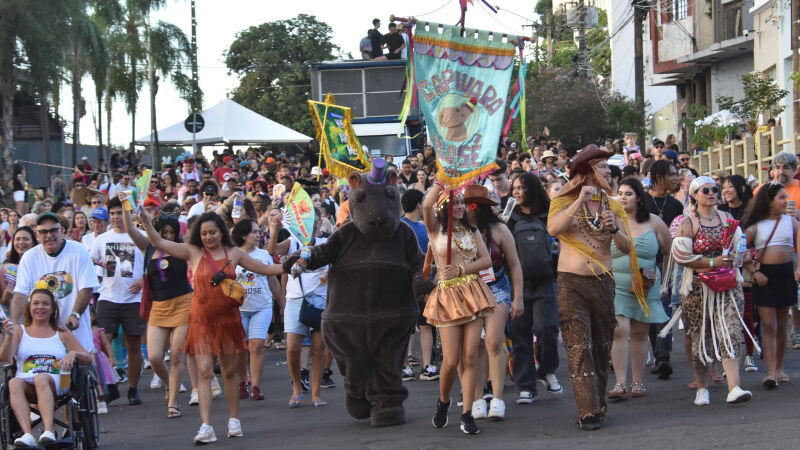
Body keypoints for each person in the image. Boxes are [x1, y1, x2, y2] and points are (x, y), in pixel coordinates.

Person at [139, 210, 284, 444]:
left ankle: (233, 420)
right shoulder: (192, 251)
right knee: (205, 372)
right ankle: (206, 426)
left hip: (228, 320)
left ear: (222, 233)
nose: (208, 237)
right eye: (204, 233)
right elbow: (157, 241)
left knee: (228, 372)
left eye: (213, 232)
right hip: (201, 320)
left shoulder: (234, 253)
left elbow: (266, 270)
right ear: (198, 234)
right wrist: (145, 219)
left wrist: (291, 265)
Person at [547, 145, 642, 430]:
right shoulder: (563, 200)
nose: (608, 172)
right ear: (586, 171)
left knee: (601, 345)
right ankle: (587, 409)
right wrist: (578, 202)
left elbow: (626, 248)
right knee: (579, 345)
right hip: (570, 282)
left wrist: (614, 229)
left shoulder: (613, 205)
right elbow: (553, 230)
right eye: (601, 167)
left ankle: (598, 403)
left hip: (603, 282)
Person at [671, 176, 753, 406]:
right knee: (701, 337)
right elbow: (681, 256)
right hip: (698, 288)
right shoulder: (688, 222)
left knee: (731, 331)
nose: (711, 193)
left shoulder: (727, 218)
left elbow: (740, 247)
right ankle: (702, 387)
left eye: (715, 189)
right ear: (695, 195)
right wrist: (712, 262)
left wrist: (741, 256)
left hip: (727, 286)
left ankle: (734, 387)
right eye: (705, 190)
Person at [423, 183, 494, 435]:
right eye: (455, 203)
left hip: (473, 292)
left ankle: (467, 412)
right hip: (447, 297)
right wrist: (440, 183)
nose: (460, 207)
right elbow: (425, 205)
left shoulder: (471, 231)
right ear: (444, 207)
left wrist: (463, 269)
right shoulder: (435, 229)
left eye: (462, 203)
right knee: (451, 360)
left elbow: (485, 260)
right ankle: (444, 401)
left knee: (471, 355)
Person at [119, 199, 192, 418]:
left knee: (177, 356)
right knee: (154, 357)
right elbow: (131, 229)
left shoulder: (183, 247)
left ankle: (173, 402)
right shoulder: (148, 247)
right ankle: (169, 383)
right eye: (164, 231)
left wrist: (146, 220)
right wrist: (126, 205)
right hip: (158, 308)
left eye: (171, 232)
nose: (167, 235)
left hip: (183, 304)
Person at [0, 288, 93, 448]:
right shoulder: (19, 331)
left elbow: (88, 358)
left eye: (45, 304)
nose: (40, 307)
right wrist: (9, 337)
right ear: (29, 307)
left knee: (41, 377)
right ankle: (28, 434)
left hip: (57, 381)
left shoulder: (61, 332)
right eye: (35, 303)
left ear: (52, 308)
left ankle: (48, 431)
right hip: (27, 381)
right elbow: (4, 357)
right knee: (14, 382)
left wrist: (73, 354)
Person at [608, 178, 671, 399]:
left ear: (639, 198)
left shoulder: (654, 222)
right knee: (619, 330)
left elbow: (670, 252)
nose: (623, 198)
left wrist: (666, 282)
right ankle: (619, 383)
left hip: (646, 284)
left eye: (628, 194)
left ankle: (638, 382)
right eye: (620, 194)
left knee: (639, 332)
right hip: (616, 284)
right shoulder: (611, 220)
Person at [464, 184, 523, 420]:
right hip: (469, 292)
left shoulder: (500, 229)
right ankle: (477, 398)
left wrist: (518, 298)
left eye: (465, 204)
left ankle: (497, 398)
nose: (460, 208)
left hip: (498, 288)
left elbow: (515, 265)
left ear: (475, 207)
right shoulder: (458, 231)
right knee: (474, 347)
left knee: (493, 341)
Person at [506, 173, 561, 406]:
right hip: (516, 285)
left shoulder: (547, 214)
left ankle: (547, 370)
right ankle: (526, 386)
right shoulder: (508, 217)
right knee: (520, 337)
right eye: (514, 188)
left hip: (545, 281)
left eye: (521, 188)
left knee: (547, 328)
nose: (516, 192)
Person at [11, 212, 100, 354]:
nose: (49, 235)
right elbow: (21, 293)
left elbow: (86, 288)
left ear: (62, 230)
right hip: (41, 340)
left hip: (75, 335)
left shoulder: (79, 251)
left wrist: (75, 315)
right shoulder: (29, 257)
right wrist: (14, 324)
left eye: (53, 230)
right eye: (43, 232)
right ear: (37, 234)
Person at [269, 210, 330, 409]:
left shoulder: (325, 244)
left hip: (321, 301)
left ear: (320, 223)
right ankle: (296, 386)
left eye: (315, 221)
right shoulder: (293, 242)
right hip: (296, 300)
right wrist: (274, 229)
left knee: (318, 349)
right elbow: (273, 251)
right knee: (292, 349)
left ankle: (315, 393)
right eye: (307, 220)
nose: (311, 224)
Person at [89, 197, 146, 406]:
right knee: (101, 343)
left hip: (133, 300)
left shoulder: (141, 237)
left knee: (133, 344)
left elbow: (154, 264)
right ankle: (107, 386)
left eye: (119, 213)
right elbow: (92, 268)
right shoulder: (101, 240)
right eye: (112, 213)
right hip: (107, 298)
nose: (115, 217)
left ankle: (133, 389)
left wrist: (142, 280)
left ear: (129, 214)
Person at [742, 183, 799, 388]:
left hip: (785, 274)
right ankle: (771, 372)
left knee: (782, 324)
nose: (786, 201)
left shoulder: (791, 222)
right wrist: (755, 272)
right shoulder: (755, 226)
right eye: (781, 198)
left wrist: (798, 268)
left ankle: (780, 368)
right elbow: (740, 251)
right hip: (765, 276)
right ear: (769, 201)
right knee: (768, 324)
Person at [231, 220, 282, 402]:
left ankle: (256, 386)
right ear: (244, 235)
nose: (258, 234)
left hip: (262, 307)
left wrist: (282, 303)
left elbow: (272, 280)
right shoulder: (233, 255)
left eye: (259, 231)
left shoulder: (264, 255)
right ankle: (242, 382)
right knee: (240, 349)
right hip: (239, 308)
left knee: (257, 346)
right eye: (254, 231)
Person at [642, 159, 681, 379]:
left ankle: (663, 357)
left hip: (668, 264)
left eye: (676, 174)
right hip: (646, 263)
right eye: (672, 174)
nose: (676, 178)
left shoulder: (675, 205)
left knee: (664, 307)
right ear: (658, 178)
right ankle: (658, 354)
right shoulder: (643, 203)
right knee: (650, 310)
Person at [399, 190, 438, 381]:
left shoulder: (423, 226)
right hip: (407, 283)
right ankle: (409, 365)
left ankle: (426, 366)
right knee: (412, 326)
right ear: (417, 205)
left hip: (424, 281)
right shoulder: (401, 226)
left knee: (425, 325)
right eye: (423, 202)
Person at [0, 227, 37, 308]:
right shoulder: (6, 266)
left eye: (25, 239)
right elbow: (3, 302)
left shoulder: (41, 264)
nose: (21, 242)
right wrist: (5, 298)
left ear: (33, 243)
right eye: (17, 239)